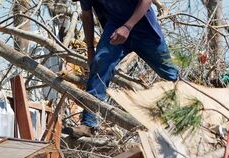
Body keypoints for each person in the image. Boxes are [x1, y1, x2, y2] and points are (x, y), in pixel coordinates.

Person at [65, 0, 179, 137]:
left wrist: (128, 26)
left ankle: (187, 116)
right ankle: (88, 124)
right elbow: (86, 14)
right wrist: (90, 49)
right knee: (101, 62)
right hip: (115, 28)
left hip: (144, 27)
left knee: (171, 75)